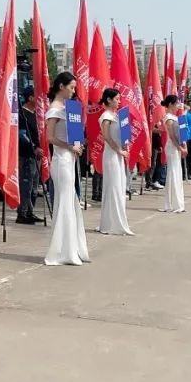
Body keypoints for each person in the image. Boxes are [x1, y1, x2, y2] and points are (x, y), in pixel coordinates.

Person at [44, 72, 90, 266]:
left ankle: (71, 248)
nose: (73, 91)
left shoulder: (68, 108)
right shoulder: (54, 109)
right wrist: (70, 146)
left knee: (71, 201)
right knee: (64, 202)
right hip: (61, 160)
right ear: (61, 86)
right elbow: (50, 138)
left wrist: (78, 145)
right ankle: (62, 251)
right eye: (71, 87)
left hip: (70, 159)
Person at [96, 88, 133, 235]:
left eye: (119, 99)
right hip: (111, 155)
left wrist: (125, 145)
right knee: (112, 187)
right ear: (109, 99)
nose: (119, 101)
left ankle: (116, 221)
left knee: (119, 186)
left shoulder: (117, 116)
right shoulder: (106, 116)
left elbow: (121, 135)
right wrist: (119, 150)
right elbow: (107, 137)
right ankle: (110, 223)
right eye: (116, 99)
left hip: (119, 154)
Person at [16, 87, 44, 224]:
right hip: (27, 154)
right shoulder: (23, 114)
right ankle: (22, 212)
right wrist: (33, 147)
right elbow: (22, 135)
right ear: (30, 98)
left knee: (34, 186)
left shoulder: (36, 114)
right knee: (26, 184)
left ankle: (30, 210)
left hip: (36, 155)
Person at [159, 96, 186, 213]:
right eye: (176, 104)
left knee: (176, 173)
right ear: (170, 104)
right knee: (173, 173)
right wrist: (179, 147)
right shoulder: (168, 118)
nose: (177, 106)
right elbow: (172, 135)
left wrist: (184, 146)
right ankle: (172, 204)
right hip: (172, 147)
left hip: (177, 147)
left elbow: (181, 134)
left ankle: (175, 202)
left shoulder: (176, 117)